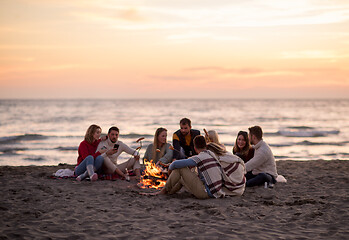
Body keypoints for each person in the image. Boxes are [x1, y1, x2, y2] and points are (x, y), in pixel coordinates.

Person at [151, 135, 242, 199]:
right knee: (182, 178)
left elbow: (175, 164)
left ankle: (164, 191)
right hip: (216, 191)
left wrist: (170, 169)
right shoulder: (210, 154)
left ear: (194, 148)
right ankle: (168, 192)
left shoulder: (200, 157)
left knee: (181, 169)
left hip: (207, 193)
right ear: (205, 145)